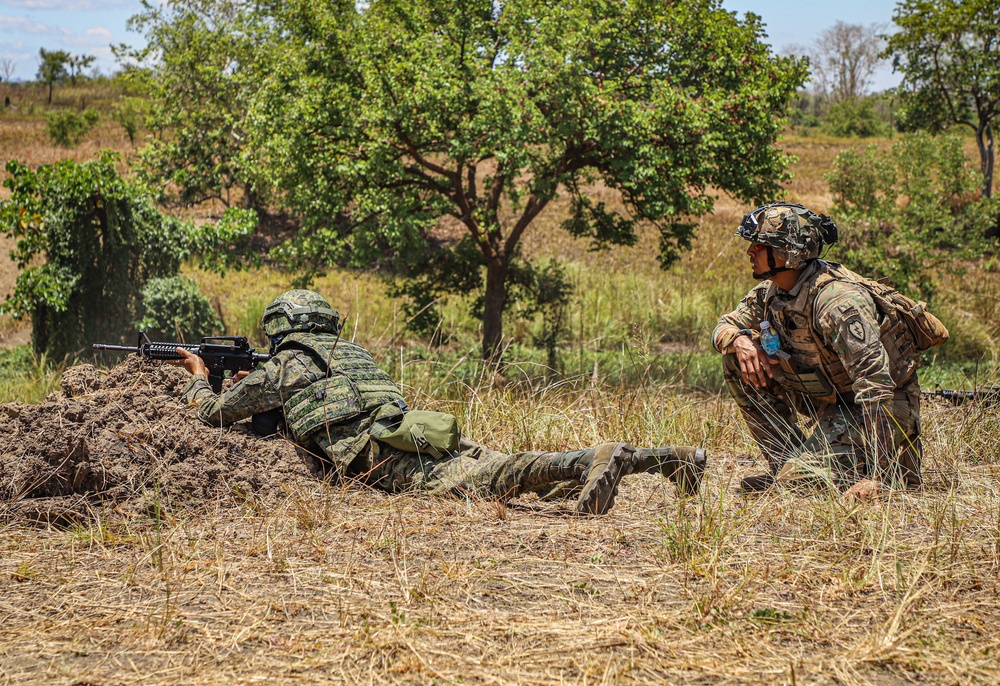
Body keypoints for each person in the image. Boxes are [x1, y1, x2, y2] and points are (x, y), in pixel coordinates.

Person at [172, 289, 707, 515]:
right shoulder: (348, 351)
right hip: (414, 427)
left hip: (379, 452)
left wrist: (200, 375)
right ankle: (669, 459)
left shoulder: (287, 363)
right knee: (527, 478)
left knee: (498, 480)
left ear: (280, 329)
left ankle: (597, 456)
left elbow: (211, 415)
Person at [713, 203, 924, 500]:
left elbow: (875, 383)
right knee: (735, 357)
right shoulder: (772, 292)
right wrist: (740, 341)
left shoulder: (837, 302)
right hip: (833, 403)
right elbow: (724, 326)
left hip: (884, 411)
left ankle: (869, 472)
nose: (749, 252)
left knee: (797, 484)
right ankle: (786, 464)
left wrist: (877, 475)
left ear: (789, 252)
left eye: (760, 246)